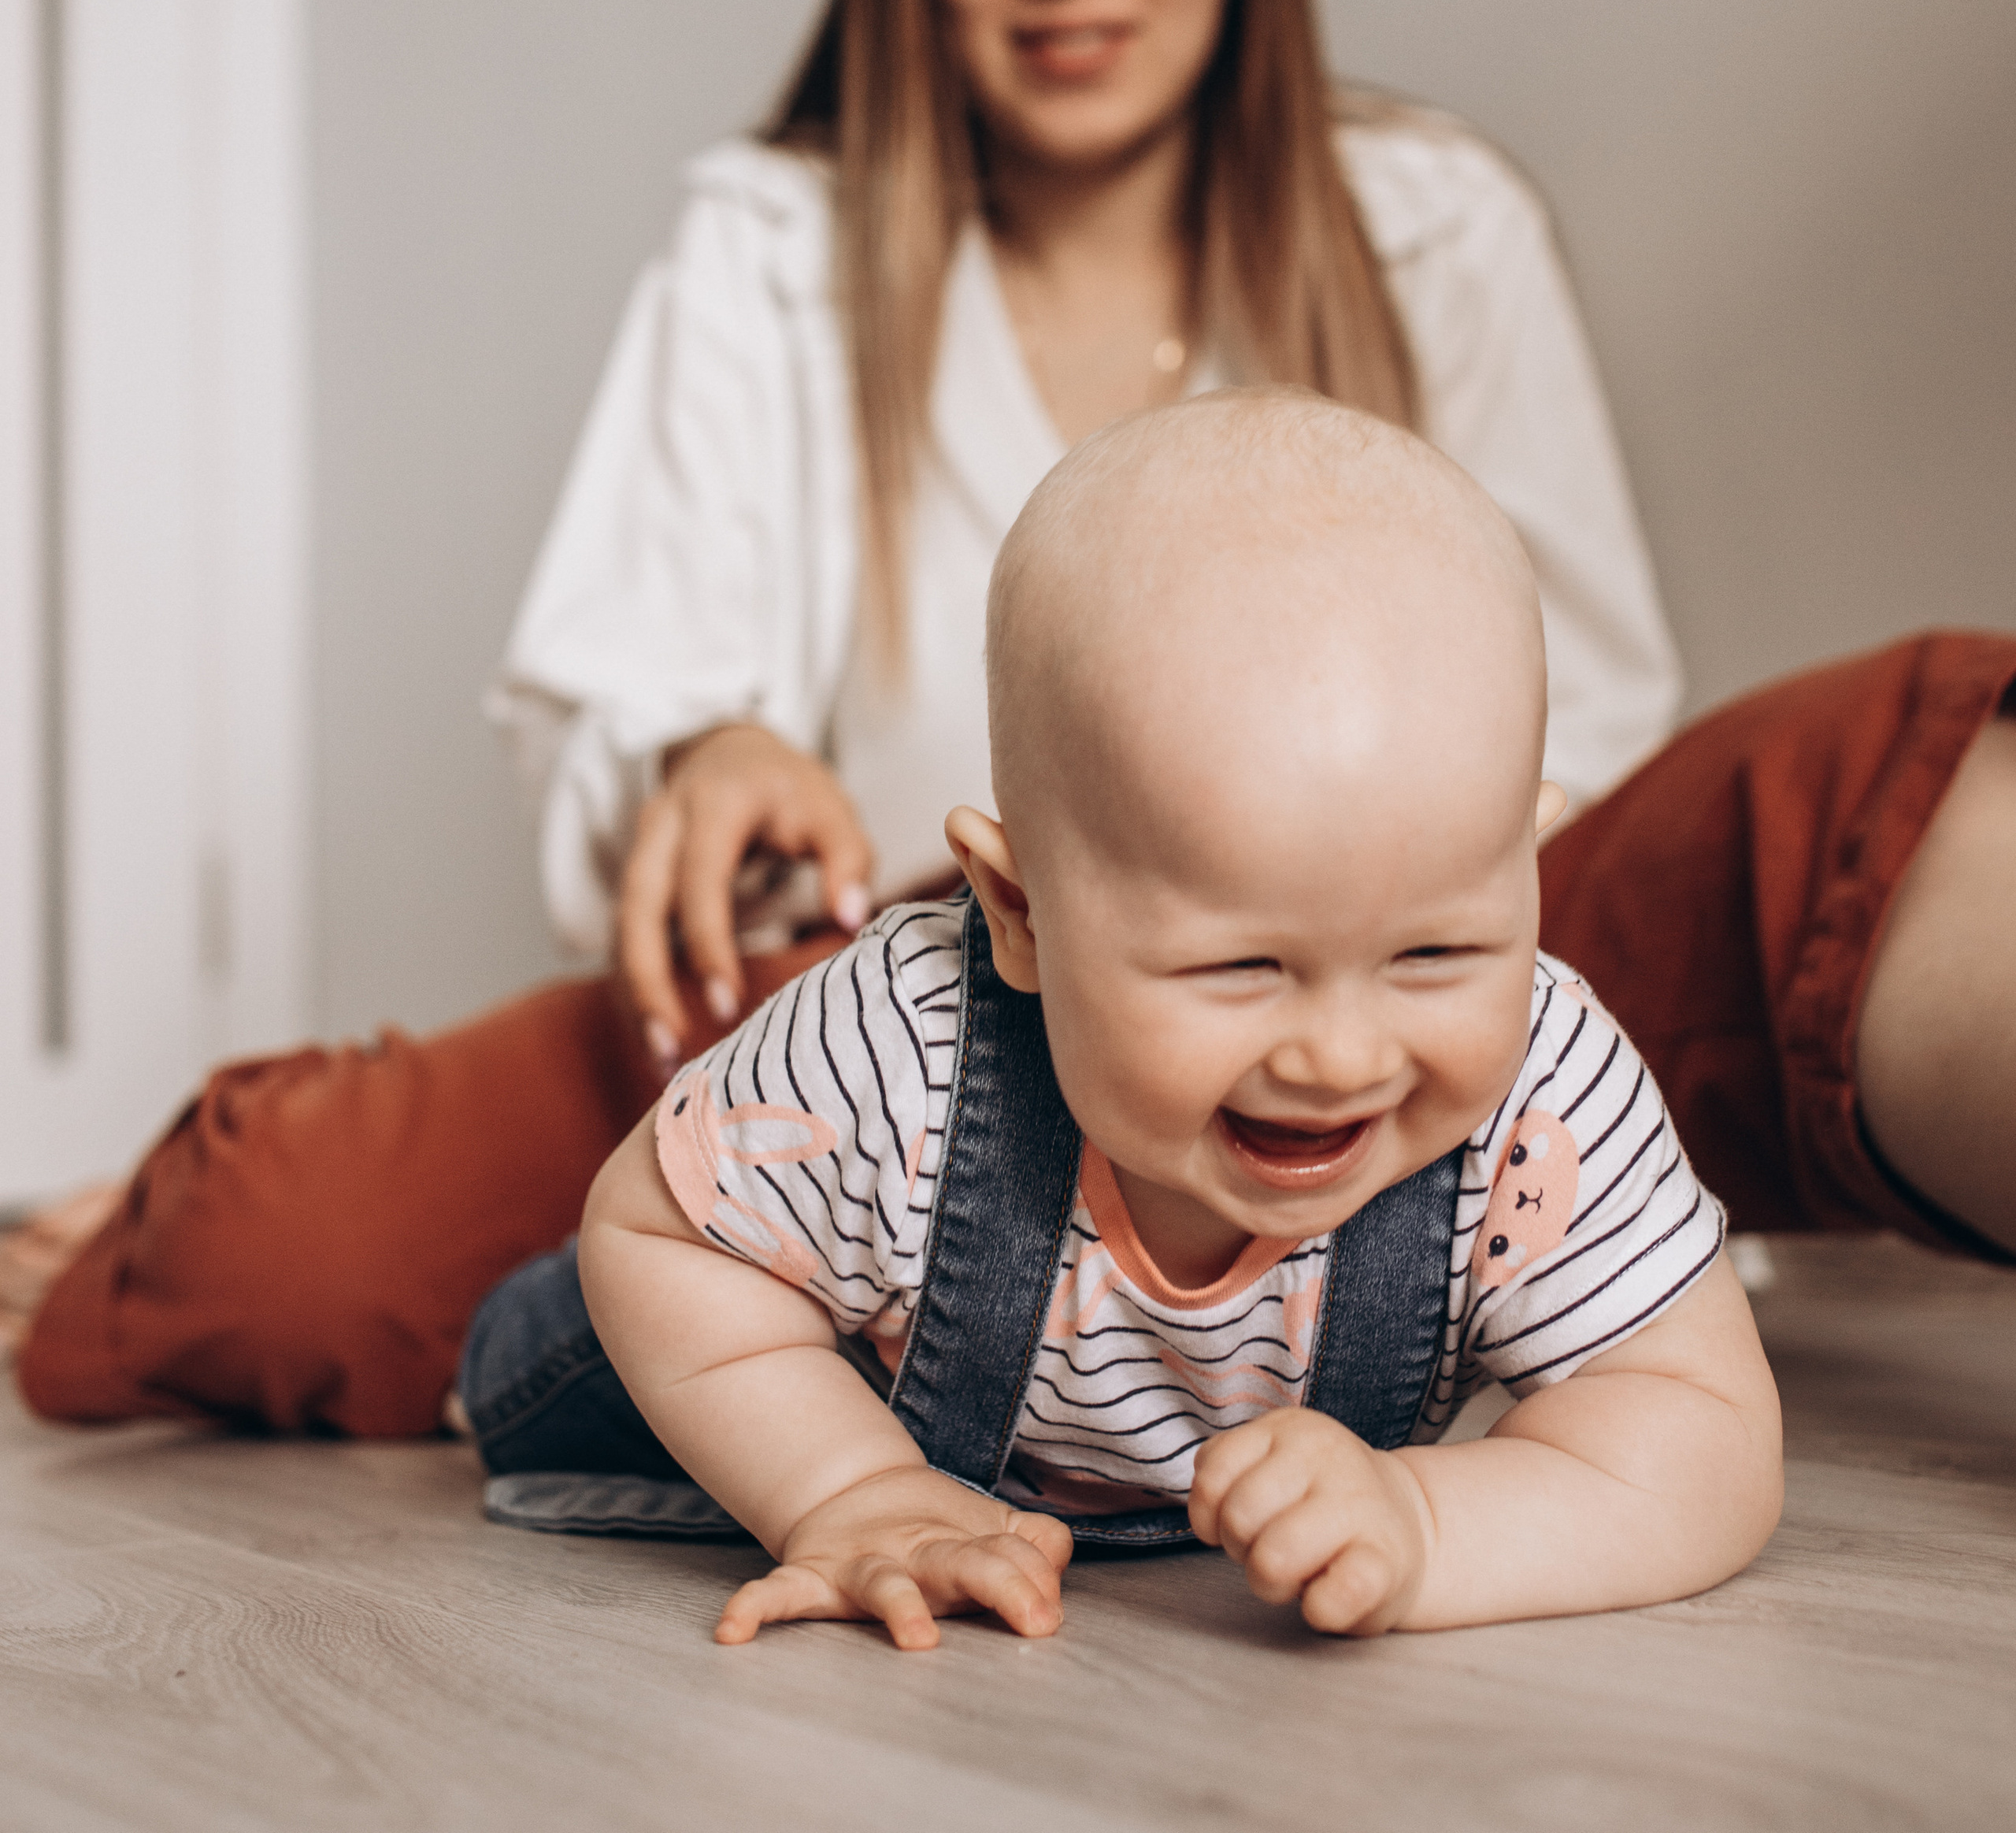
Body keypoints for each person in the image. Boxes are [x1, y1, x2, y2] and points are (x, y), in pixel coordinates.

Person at [9, 0, 2011, 1436]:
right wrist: (700, 757)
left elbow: (1594, 732)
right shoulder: (771, 249)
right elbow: (625, 692)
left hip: (1383, 975)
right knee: (280, 1256)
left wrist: (1377, 951)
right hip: (856, 1020)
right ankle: (219, 1204)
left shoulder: (1428, 226)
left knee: (1828, 799)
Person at [500, 395, 1781, 1648]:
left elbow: (1698, 1430)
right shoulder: (905, 1048)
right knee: (493, 1322)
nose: (1342, 1057)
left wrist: (1430, 1524)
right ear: (1020, 915)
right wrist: (852, 1490)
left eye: (1434, 953)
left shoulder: (1542, 1101)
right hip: (711, 1371)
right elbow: (659, 1239)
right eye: (1241, 967)